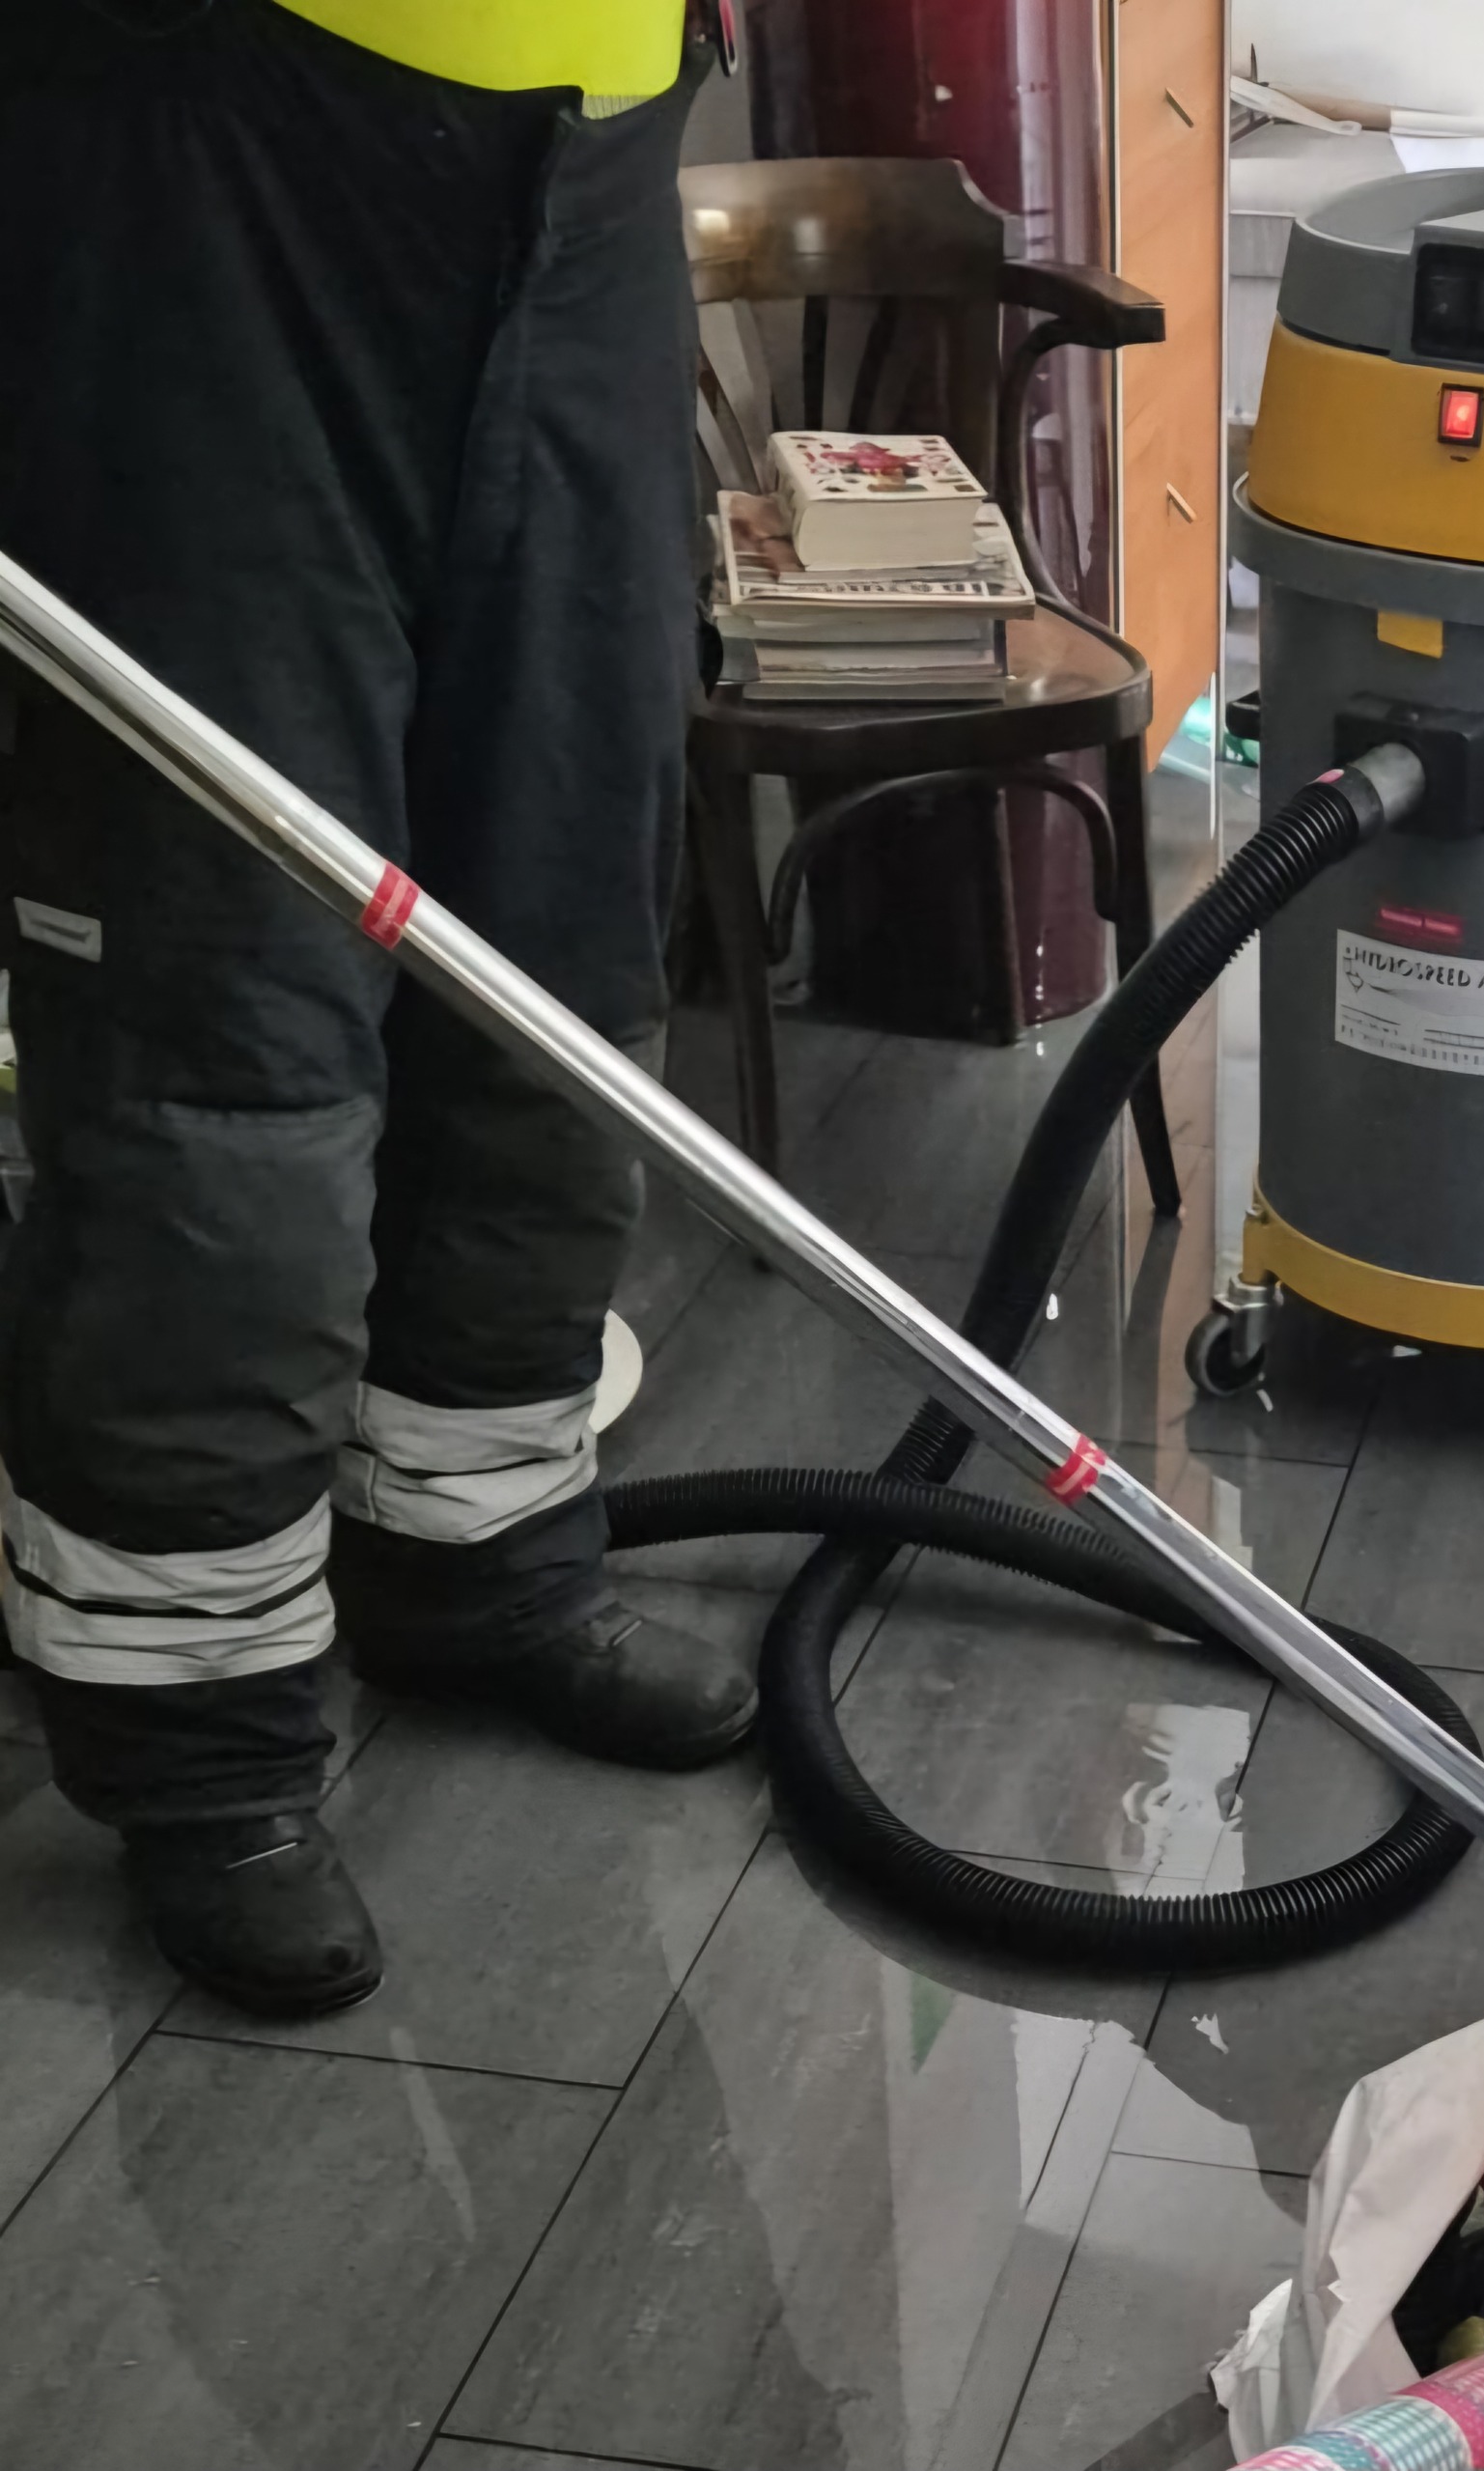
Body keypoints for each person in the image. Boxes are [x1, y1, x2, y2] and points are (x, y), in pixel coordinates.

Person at [0, 0, 754, 2019]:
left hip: (593, 162)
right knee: (222, 1018)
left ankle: (476, 1549)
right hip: (197, 171)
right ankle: (202, 1734)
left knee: (552, 961)